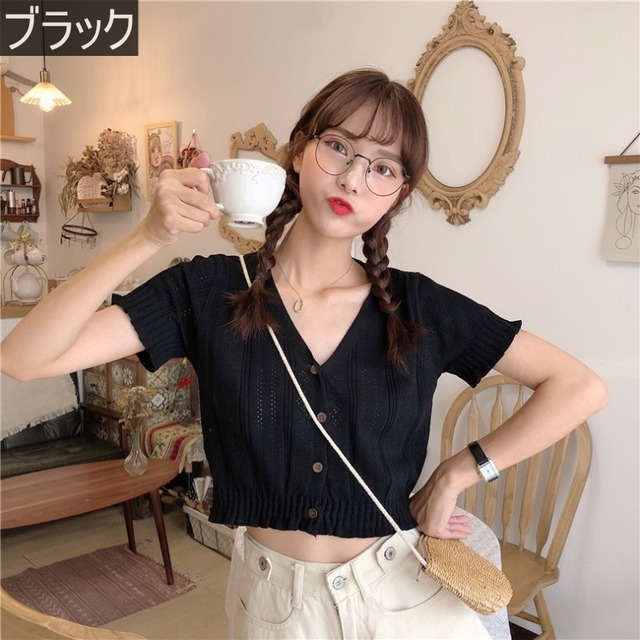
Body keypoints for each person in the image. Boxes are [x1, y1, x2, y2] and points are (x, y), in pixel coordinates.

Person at [1, 69, 607, 639]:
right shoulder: (206, 292)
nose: (353, 180)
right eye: (338, 147)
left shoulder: (419, 307)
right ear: (297, 151)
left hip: (407, 597)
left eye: (383, 168)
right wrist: (146, 237)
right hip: (275, 609)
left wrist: (460, 471)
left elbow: (579, 386)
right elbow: (23, 358)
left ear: (397, 194)